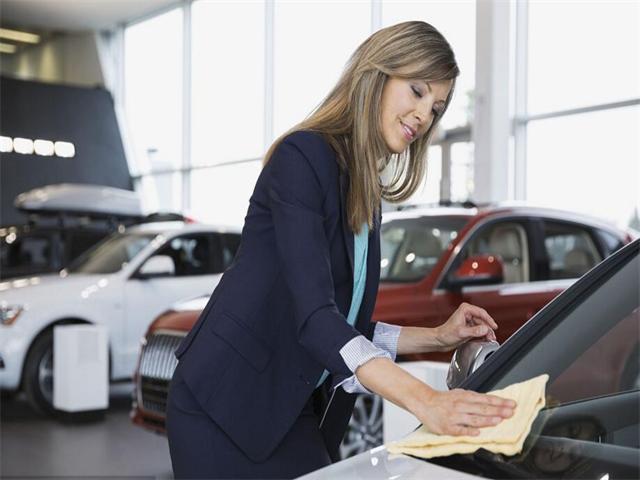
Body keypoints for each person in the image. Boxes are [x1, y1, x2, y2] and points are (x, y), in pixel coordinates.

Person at [166, 20, 516, 479]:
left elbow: (342, 324)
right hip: (221, 405)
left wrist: (437, 336)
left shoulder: (363, 192)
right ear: (377, 73)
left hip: (290, 409)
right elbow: (314, 318)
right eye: (416, 90)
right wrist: (426, 400)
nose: (423, 115)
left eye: (436, 107)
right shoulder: (302, 158)